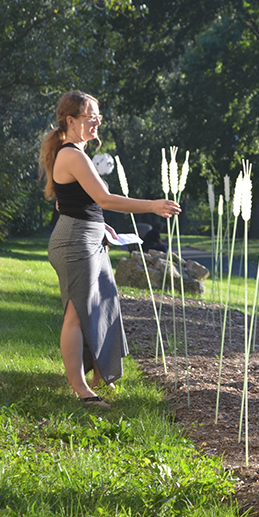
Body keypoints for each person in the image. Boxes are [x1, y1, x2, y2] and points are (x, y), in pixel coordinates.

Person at [39, 91, 180, 408]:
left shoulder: (77, 154)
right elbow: (104, 199)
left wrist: (100, 225)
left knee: (104, 302)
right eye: (91, 117)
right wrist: (153, 206)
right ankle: (81, 390)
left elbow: (73, 201)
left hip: (87, 234)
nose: (97, 122)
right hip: (75, 241)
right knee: (76, 313)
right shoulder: (72, 154)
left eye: (98, 117)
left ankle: (99, 375)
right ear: (71, 120)